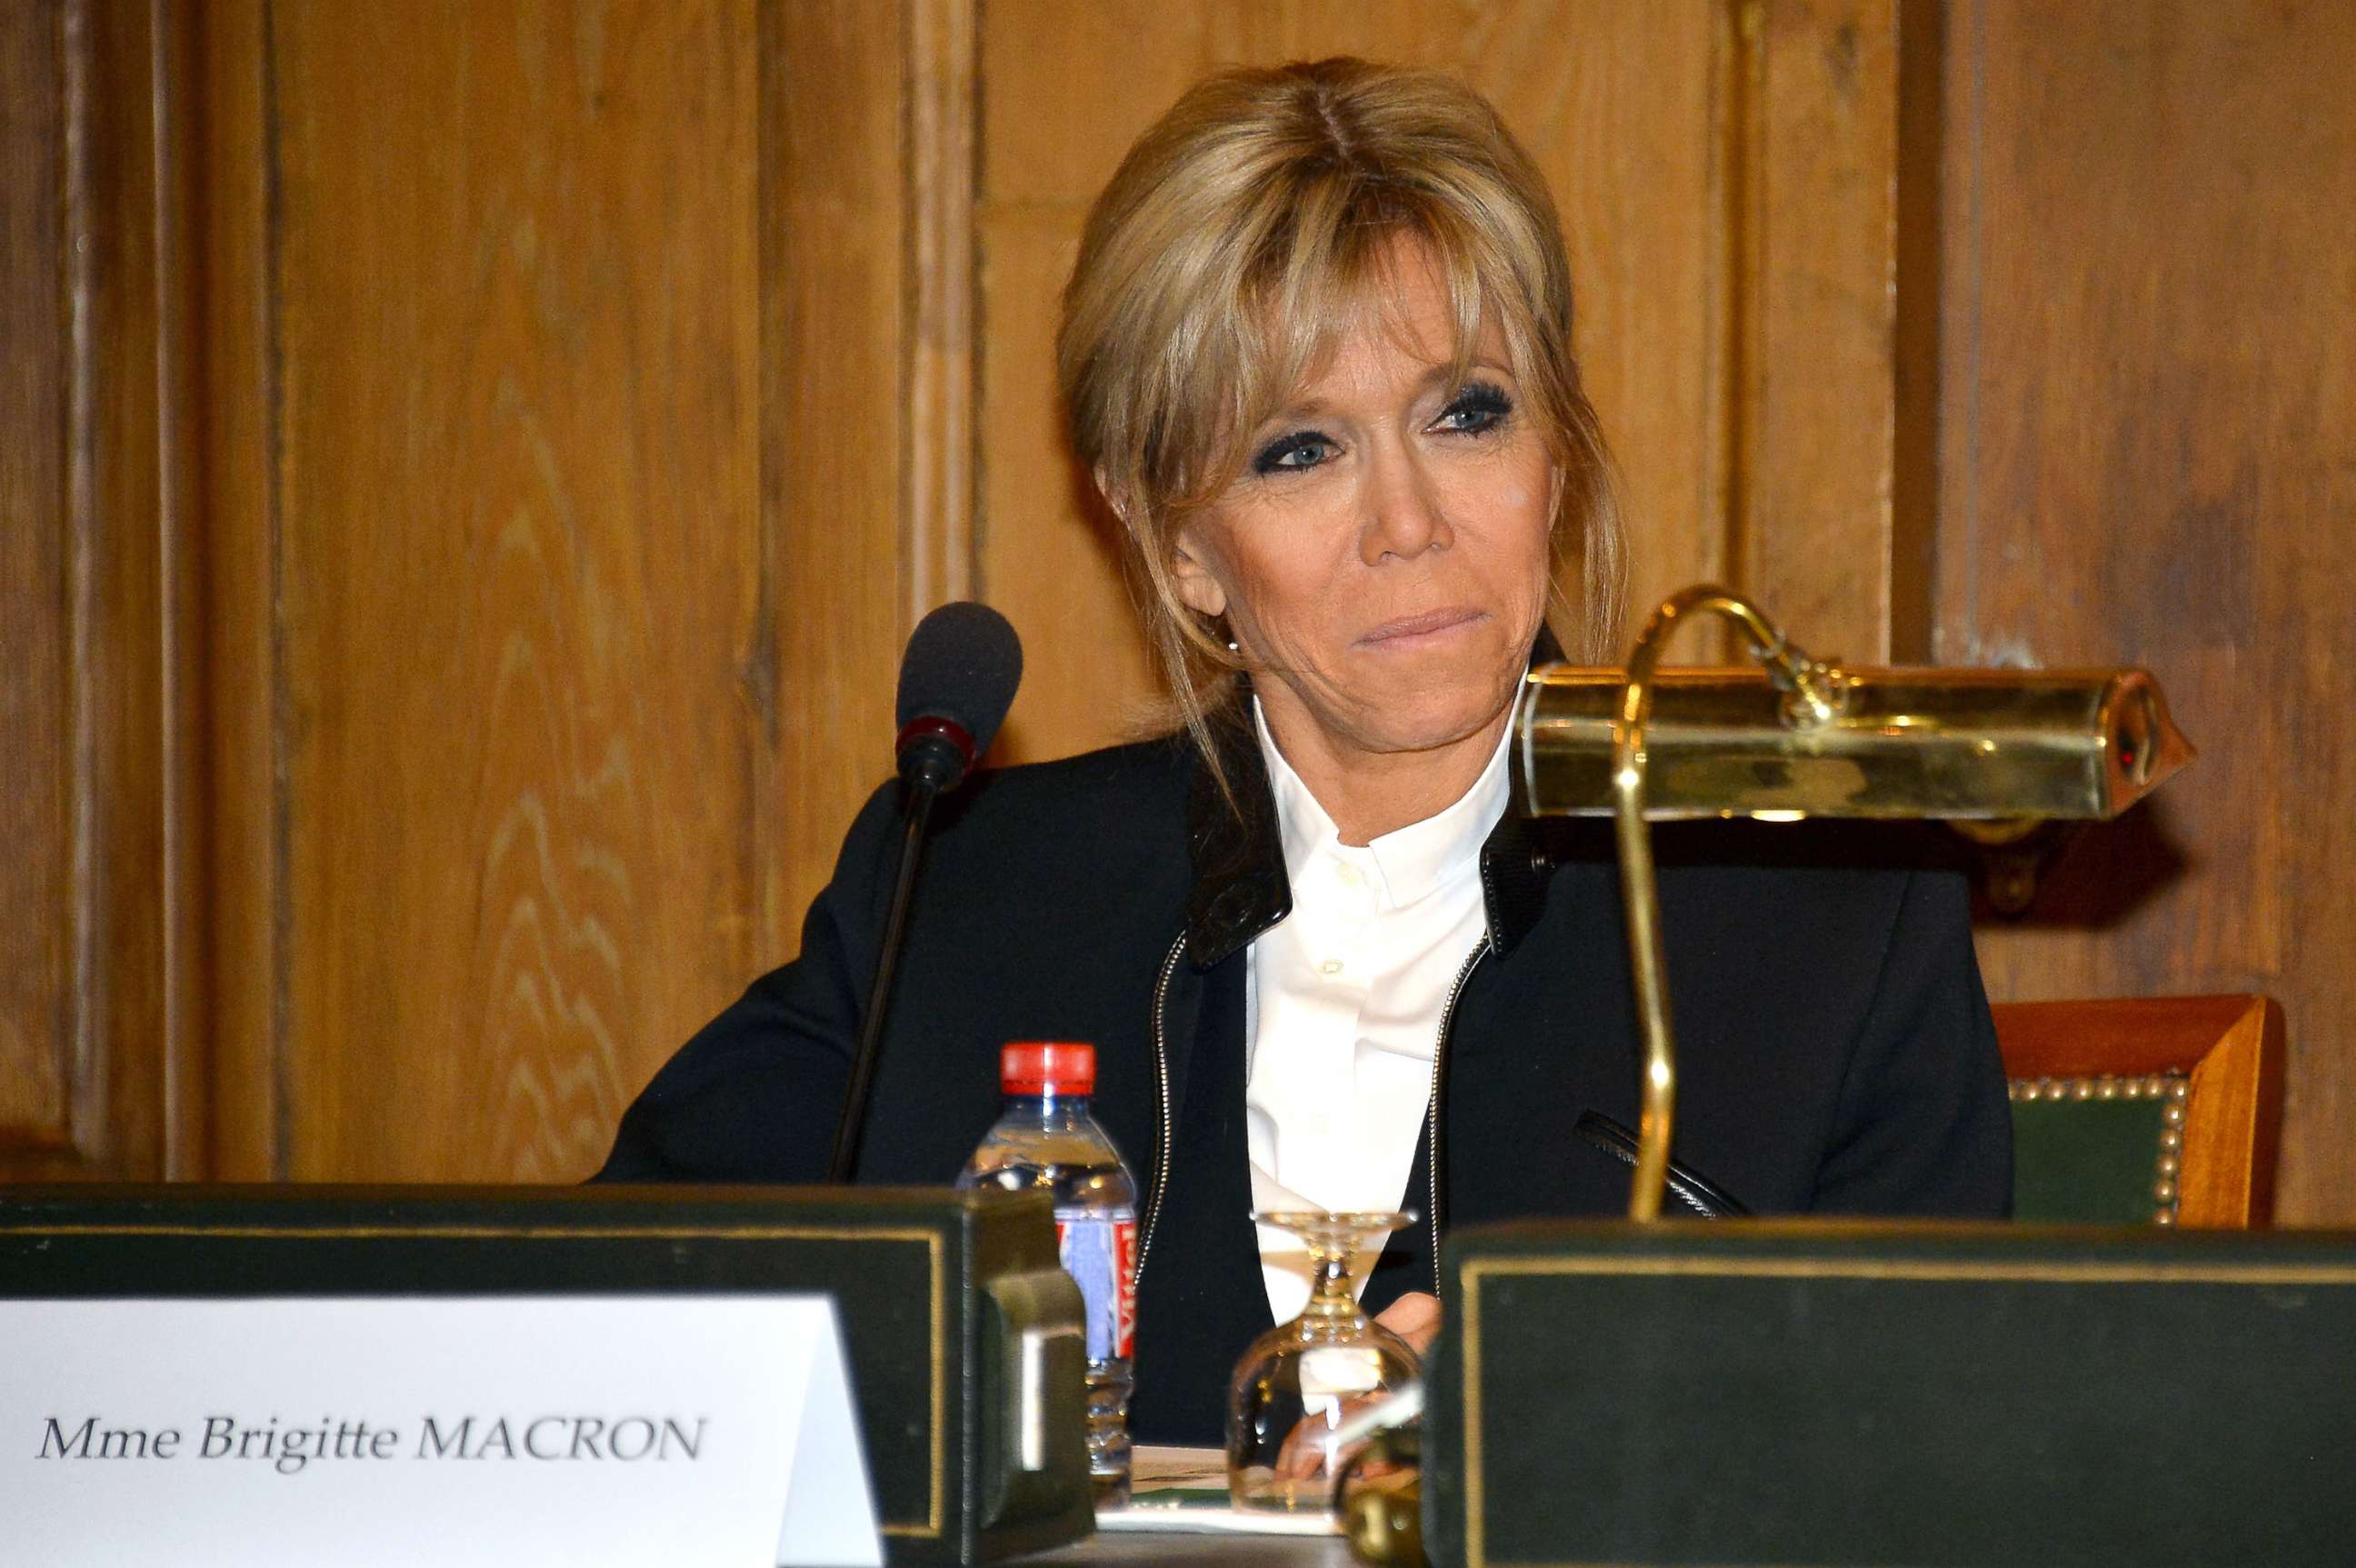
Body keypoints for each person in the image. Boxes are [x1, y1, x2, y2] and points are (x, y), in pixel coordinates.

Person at [599, 57, 2010, 1446]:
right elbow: (589, 1322)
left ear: (1556, 456)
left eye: (1467, 414)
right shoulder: (959, 899)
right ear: (1174, 541)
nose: (1407, 522)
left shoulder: (1825, 916)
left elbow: (1950, 1463)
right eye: (1299, 451)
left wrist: (1602, 1396)